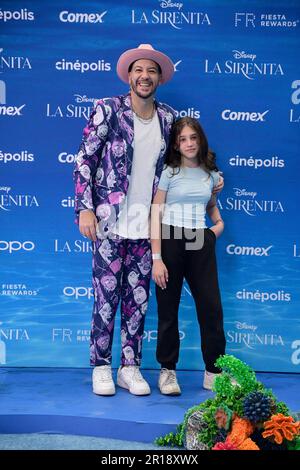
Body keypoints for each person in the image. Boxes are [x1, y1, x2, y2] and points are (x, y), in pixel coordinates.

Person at [74, 43, 177, 396]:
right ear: (129, 76)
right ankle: (102, 366)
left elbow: (175, 170)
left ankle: (129, 367)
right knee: (105, 299)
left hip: (145, 227)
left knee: (137, 302)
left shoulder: (168, 118)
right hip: (109, 223)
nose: (144, 76)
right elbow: (84, 161)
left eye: (151, 70)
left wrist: (212, 176)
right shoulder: (108, 110)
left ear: (159, 77)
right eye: (138, 70)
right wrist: (84, 208)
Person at [150, 117, 226, 395]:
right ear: (176, 145)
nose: (189, 143)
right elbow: (156, 213)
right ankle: (167, 371)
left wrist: (216, 228)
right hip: (170, 237)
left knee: (211, 307)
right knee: (168, 309)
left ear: (200, 139)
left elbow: (211, 206)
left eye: (193, 137)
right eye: (183, 139)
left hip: (198, 238)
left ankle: (213, 372)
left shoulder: (212, 175)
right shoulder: (170, 172)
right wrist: (156, 258)